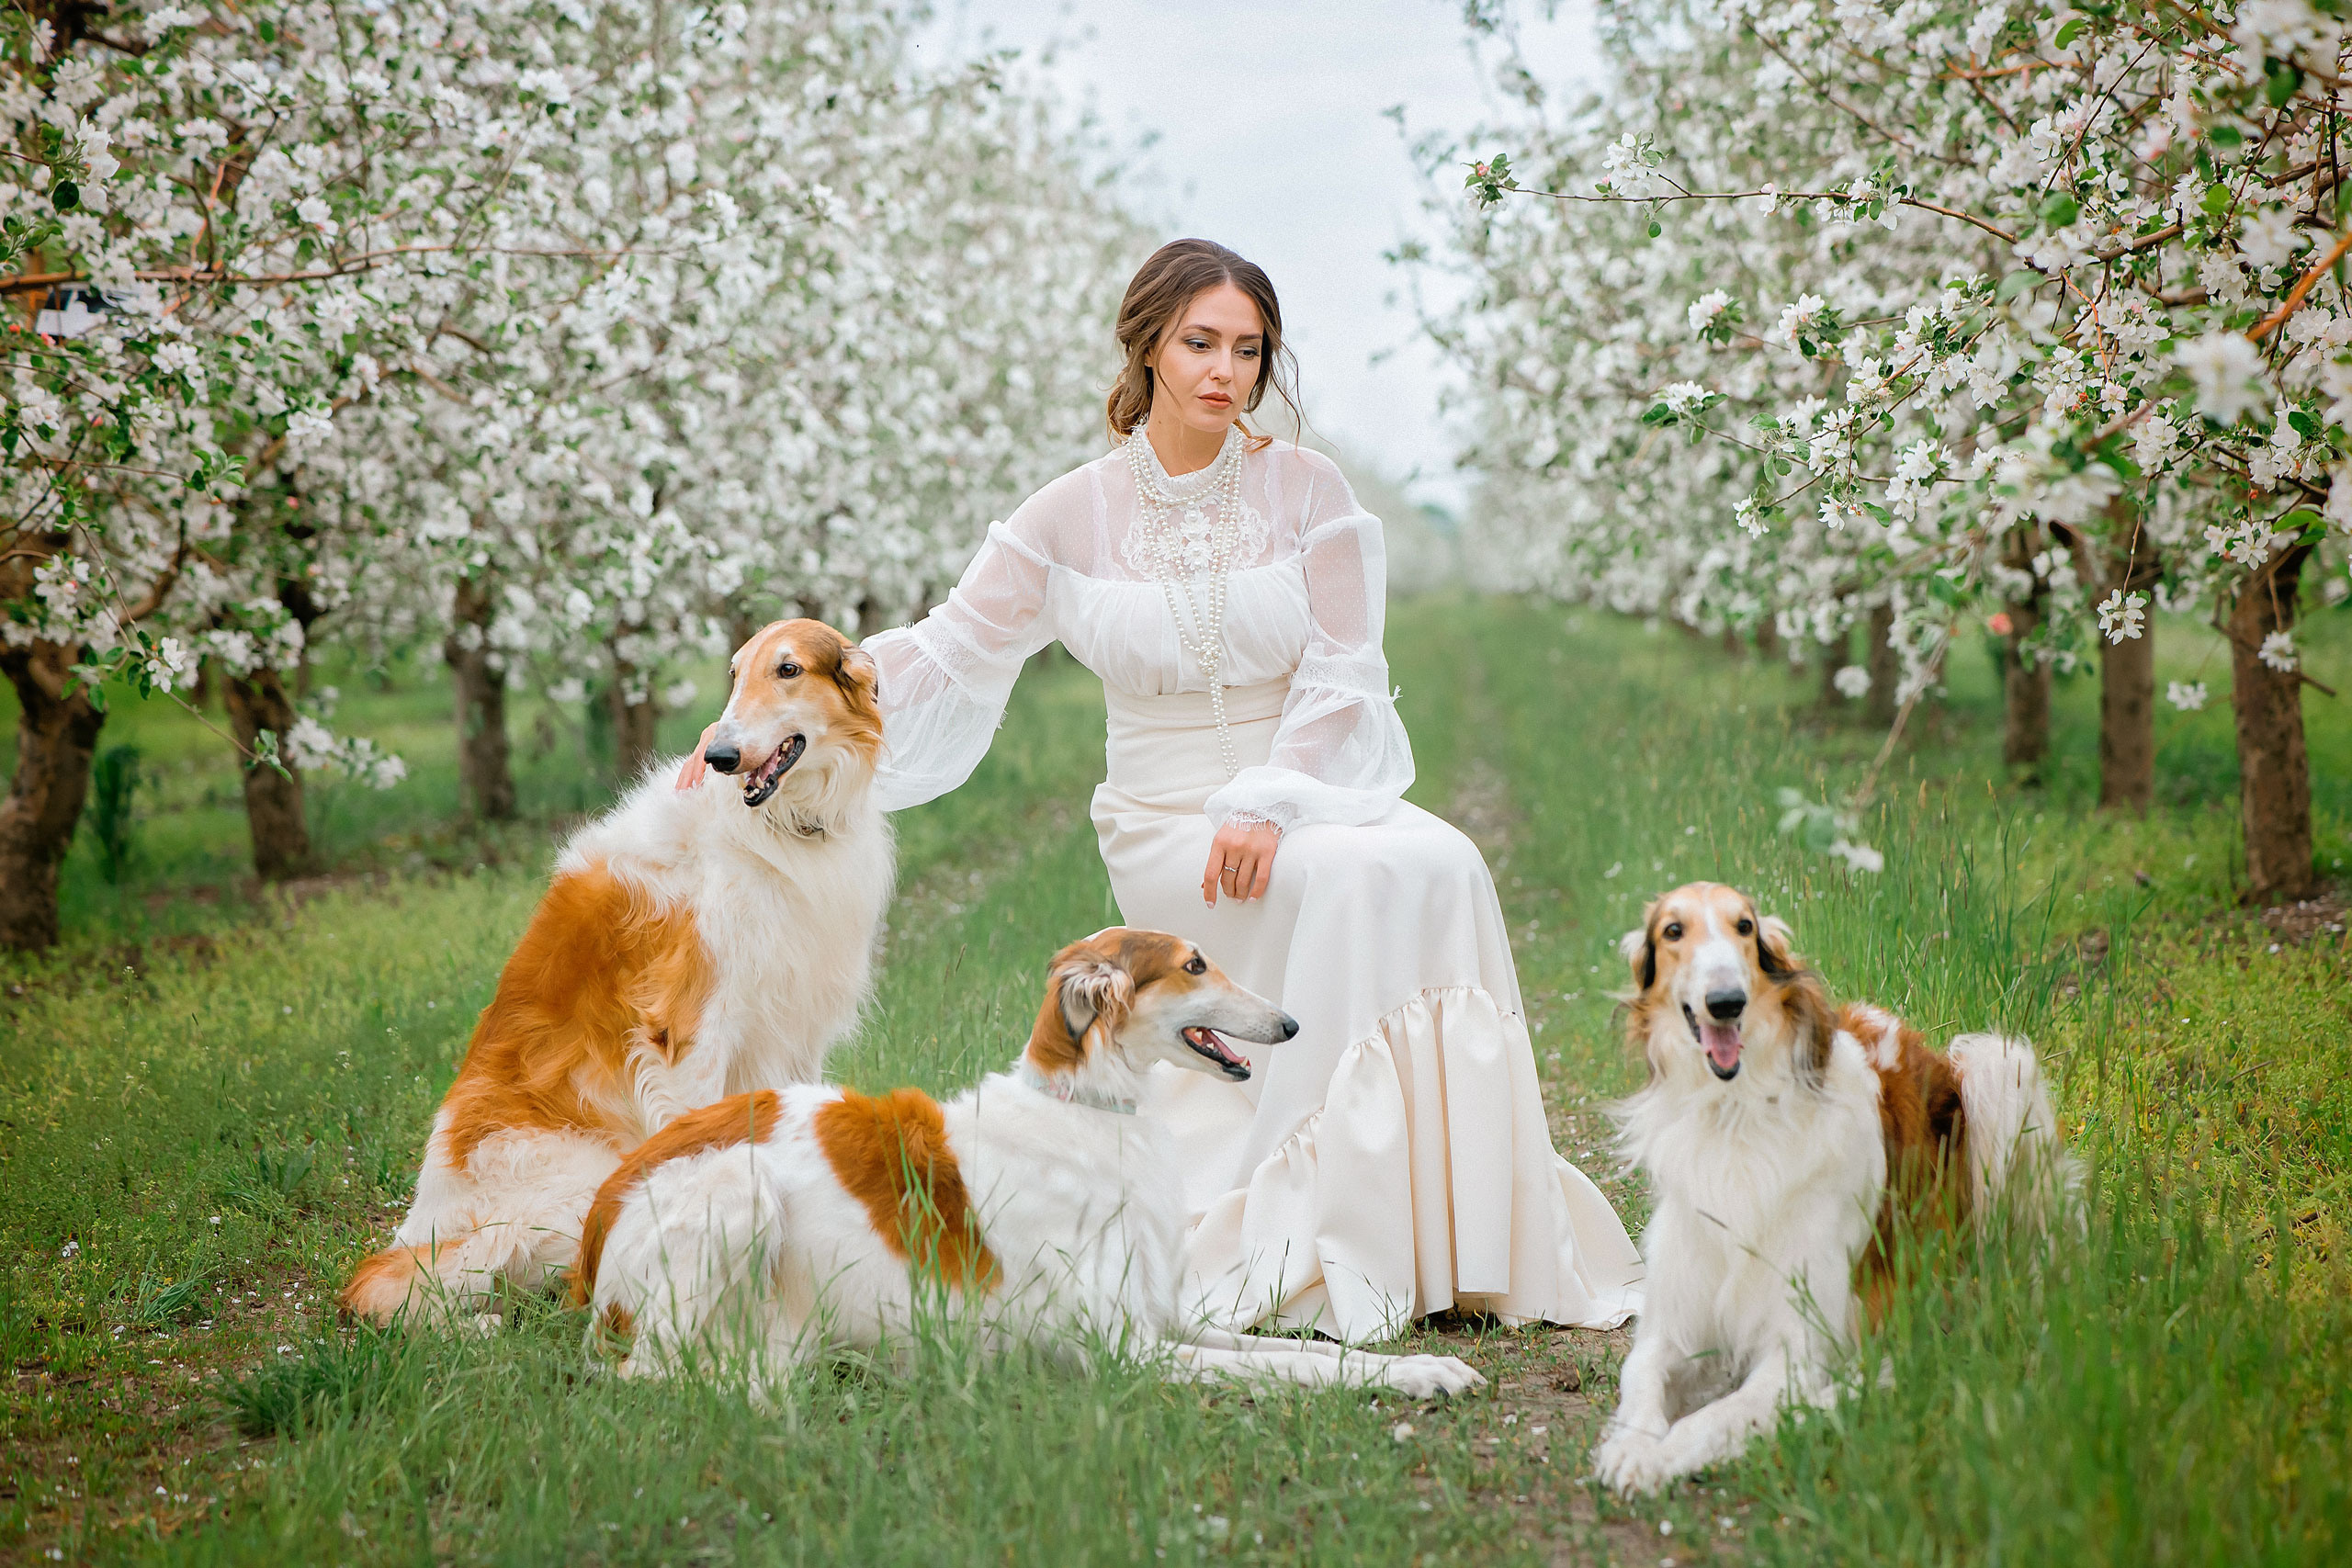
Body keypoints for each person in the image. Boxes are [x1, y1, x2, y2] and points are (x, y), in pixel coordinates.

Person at [692, 239, 1641, 1343]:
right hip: (1164, 817)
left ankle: (1452, 1239)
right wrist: (763, 719)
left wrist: (1273, 797)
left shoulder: (1309, 488)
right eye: (1199, 343)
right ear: (1147, 345)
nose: (1223, 371)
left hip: (1299, 790)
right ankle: (1321, 1235)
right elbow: (943, 652)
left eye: (1248, 349)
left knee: (1444, 860)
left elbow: (1345, 669)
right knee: (1345, 884)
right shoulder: (1069, 513)